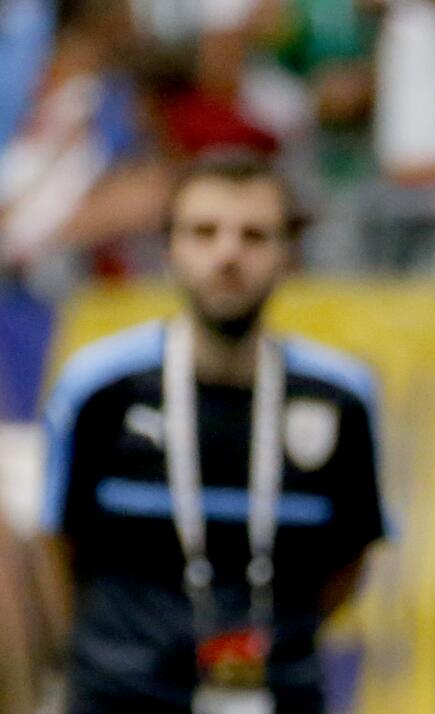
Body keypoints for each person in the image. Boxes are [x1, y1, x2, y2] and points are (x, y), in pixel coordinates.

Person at [39, 149, 388, 713]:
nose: (228, 254)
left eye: (254, 235)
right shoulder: (99, 387)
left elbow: (349, 562)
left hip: (281, 695)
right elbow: (57, 547)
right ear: (170, 247)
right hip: (118, 696)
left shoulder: (341, 398)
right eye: (204, 232)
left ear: (287, 254)